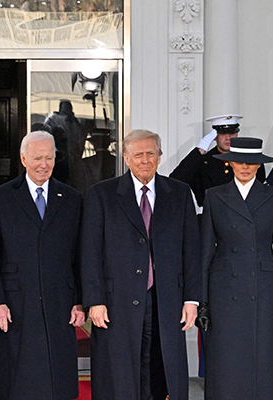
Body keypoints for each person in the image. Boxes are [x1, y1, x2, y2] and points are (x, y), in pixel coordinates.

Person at [80, 129, 201, 400]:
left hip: (165, 299)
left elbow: (191, 250)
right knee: (121, 371)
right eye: (138, 155)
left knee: (161, 366)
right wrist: (94, 300)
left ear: (159, 157)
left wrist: (192, 299)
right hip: (116, 301)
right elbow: (89, 252)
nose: (145, 160)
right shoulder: (101, 195)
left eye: (150, 153)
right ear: (126, 158)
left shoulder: (180, 193)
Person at [0, 131, 85, 400]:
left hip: (60, 300)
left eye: (49, 158)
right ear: (23, 158)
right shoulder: (0, 198)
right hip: (15, 301)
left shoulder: (72, 198)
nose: (44, 164)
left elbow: (80, 255)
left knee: (57, 374)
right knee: (19, 375)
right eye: (37, 158)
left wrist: (79, 300)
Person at [196, 137, 273, 400]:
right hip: (224, 291)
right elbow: (205, 252)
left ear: (259, 165)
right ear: (229, 163)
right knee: (225, 362)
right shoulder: (214, 196)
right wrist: (202, 302)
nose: (245, 167)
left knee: (261, 361)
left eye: (251, 163)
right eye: (240, 161)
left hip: (263, 291)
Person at [170, 114, 266, 208]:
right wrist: (200, 151)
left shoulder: (250, 161)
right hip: (209, 219)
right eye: (223, 133)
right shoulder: (201, 161)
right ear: (215, 136)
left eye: (232, 133)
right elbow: (174, 182)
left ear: (237, 134)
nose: (228, 137)